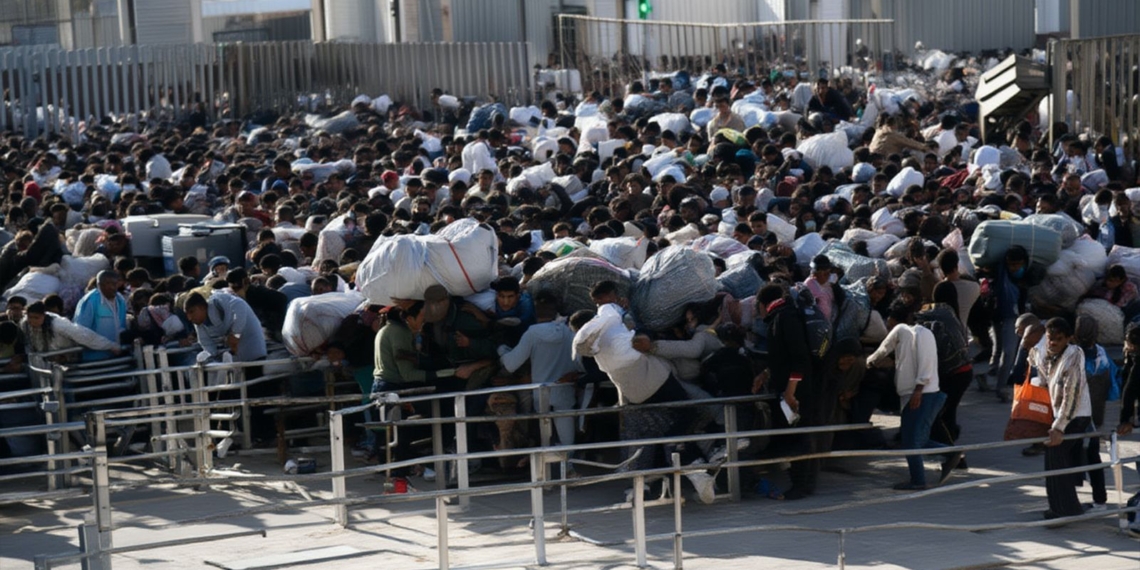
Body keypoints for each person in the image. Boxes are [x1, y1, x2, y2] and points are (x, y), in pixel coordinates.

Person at [867, 302, 961, 490]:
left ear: (894, 320)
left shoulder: (906, 331)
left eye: (889, 320)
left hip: (920, 394)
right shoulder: (919, 334)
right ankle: (951, 454)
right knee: (918, 438)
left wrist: (869, 362)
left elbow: (884, 349)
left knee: (910, 441)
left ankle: (918, 480)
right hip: (923, 393)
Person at [498, 291, 581, 448]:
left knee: (544, 437)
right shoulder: (569, 331)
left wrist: (501, 349)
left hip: (540, 392)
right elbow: (578, 363)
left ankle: (545, 467)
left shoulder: (532, 333)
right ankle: (569, 465)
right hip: (564, 388)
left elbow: (511, 364)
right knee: (567, 437)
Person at [1030, 317, 1092, 520]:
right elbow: (1037, 362)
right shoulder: (1047, 353)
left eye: (1058, 339)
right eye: (1050, 338)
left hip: (1074, 417)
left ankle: (1062, 510)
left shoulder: (1073, 356)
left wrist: (1059, 427)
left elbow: (1072, 395)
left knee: (1056, 460)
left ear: (1069, 339)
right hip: (1060, 416)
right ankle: (1067, 507)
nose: (1053, 343)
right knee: (1057, 462)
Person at [21, 301, 122, 360]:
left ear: (43, 315)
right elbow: (27, 343)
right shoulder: (25, 324)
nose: (32, 321)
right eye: (30, 317)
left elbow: (84, 335)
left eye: (36, 318)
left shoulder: (58, 324)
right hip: (42, 361)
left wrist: (110, 345)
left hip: (67, 359)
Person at [73, 270, 127, 361]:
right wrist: (107, 345)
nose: (112, 287)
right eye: (107, 283)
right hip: (94, 358)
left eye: (114, 283)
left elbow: (122, 326)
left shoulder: (120, 300)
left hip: (116, 357)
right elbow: (81, 333)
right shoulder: (90, 301)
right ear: (99, 284)